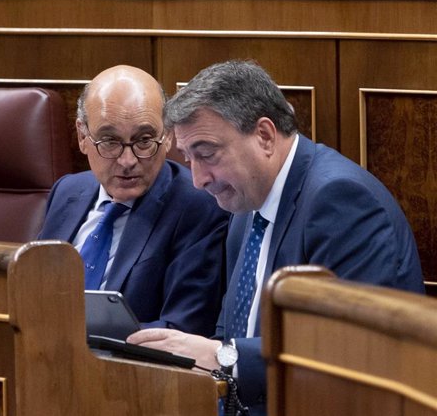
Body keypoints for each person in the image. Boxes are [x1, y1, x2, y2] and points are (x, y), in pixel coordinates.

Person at [127, 60, 425, 415]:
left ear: (265, 136)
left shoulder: (339, 200)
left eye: (207, 155)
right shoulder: (244, 205)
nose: (199, 179)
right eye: (189, 159)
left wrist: (225, 357)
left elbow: (355, 352)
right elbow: (229, 329)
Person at [38, 65, 229, 337]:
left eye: (144, 140)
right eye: (109, 140)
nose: (128, 161)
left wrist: (73, 338)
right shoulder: (67, 191)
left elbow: (182, 329)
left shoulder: (198, 207)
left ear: (168, 136)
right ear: (82, 137)